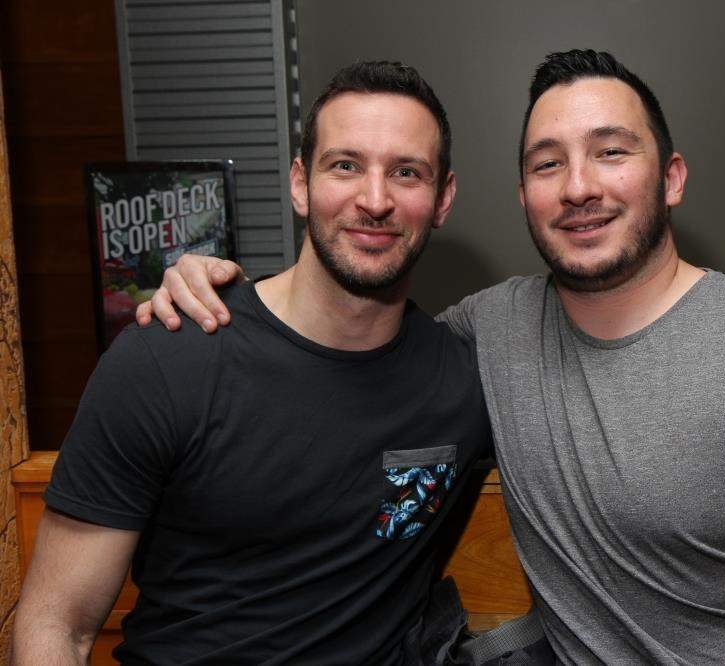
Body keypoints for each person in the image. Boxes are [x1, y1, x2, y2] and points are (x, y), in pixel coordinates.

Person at [139, 50, 725, 664]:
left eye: (611, 152)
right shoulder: (489, 333)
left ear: (672, 177)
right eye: (548, 164)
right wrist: (218, 289)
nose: (578, 187)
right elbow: (344, 334)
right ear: (523, 196)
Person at [12, 61, 494, 665]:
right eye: (345, 166)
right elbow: (58, 624)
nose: (375, 200)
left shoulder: (464, 380)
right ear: (300, 183)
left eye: (406, 172)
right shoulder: (168, 358)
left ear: (442, 198)